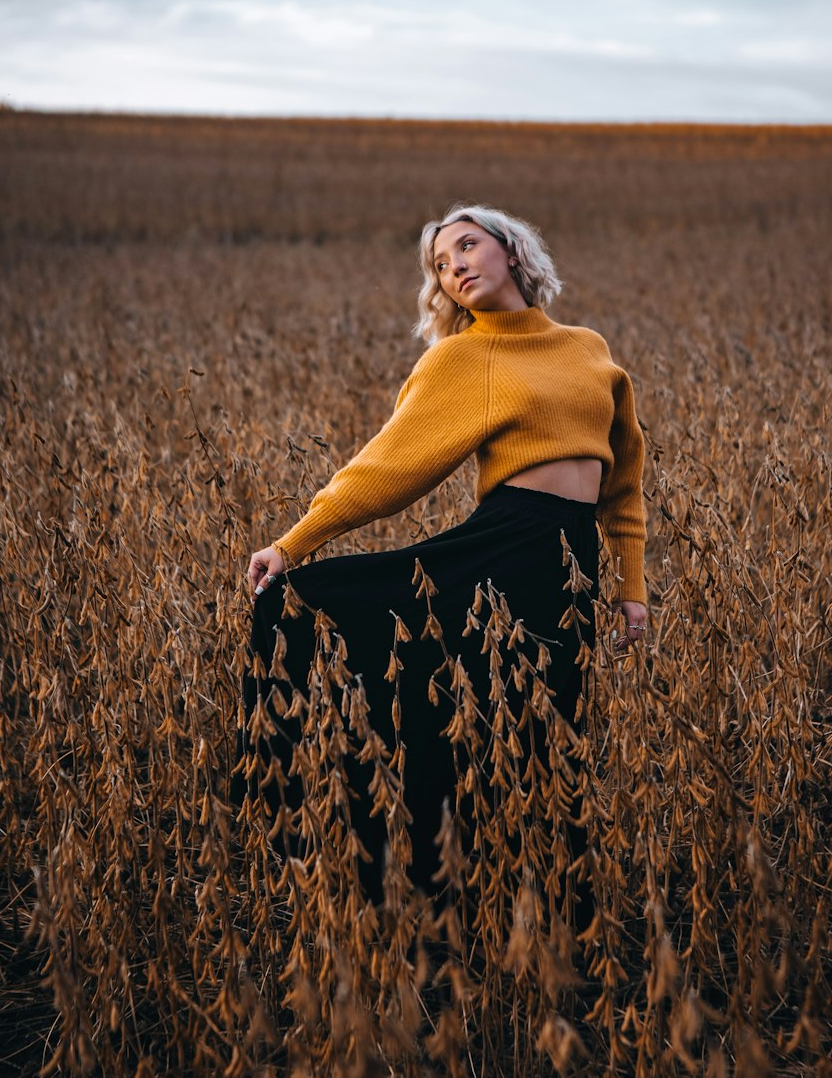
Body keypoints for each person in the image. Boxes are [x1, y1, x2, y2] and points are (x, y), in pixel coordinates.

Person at [234, 204, 647, 906]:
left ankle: (543, 898)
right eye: (439, 265)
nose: (453, 265)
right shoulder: (462, 357)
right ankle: (416, 883)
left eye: (465, 246)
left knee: (551, 726)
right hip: (502, 549)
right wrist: (294, 542)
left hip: (570, 561)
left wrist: (631, 585)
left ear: (512, 251)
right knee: (449, 706)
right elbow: (387, 467)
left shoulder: (588, 348)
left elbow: (626, 481)